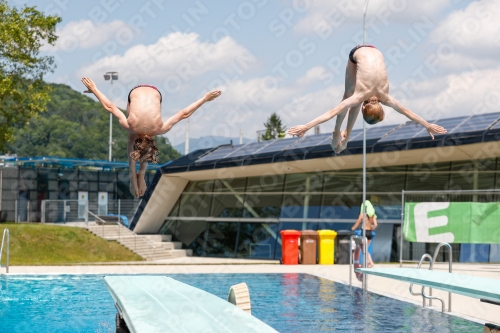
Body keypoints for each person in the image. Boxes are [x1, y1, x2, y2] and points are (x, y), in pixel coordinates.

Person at [288, 44, 447, 153]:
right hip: (355, 53)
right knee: (349, 96)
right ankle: (339, 133)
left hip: (376, 50)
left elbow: (406, 111)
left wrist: (427, 125)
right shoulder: (360, 98)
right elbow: (331, 112)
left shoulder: (386, 97)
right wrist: (305, 127)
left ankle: (344, 136)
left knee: (352, 99)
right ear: (365, 108)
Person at [81, 77, 221, 197]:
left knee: (134, 135)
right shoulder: (132, 126)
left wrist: (205, 99)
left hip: (153, 92)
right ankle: (139, 175)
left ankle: (135, 176)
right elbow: (110, 107)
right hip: (137, 92)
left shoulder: (159, 129)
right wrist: (95, 90)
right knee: (132, 134)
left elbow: (184, 113)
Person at [351, 199, 378, 268]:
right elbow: (375, 224)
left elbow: (357, 223)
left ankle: (371, 262)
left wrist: (353, 228)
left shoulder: (362, 215)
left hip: (364, 232)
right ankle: (365, 263)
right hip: (370, 233)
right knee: (365, 249)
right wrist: (371, 228)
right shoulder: (373, 216)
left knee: (364, 249)